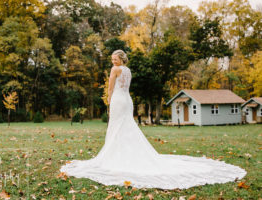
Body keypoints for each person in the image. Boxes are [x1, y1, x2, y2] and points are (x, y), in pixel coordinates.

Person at [60, 49, 247, 189]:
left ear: (120, 59)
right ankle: (123, 154)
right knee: (125, 127)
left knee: (117, 127)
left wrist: (109, 101)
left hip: (118, 100)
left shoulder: (115, 70)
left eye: (115, 58)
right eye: (112, 59)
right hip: (127, 100)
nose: (113, 61)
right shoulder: (128, 70)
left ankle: (114, 157)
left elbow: (110, 88)